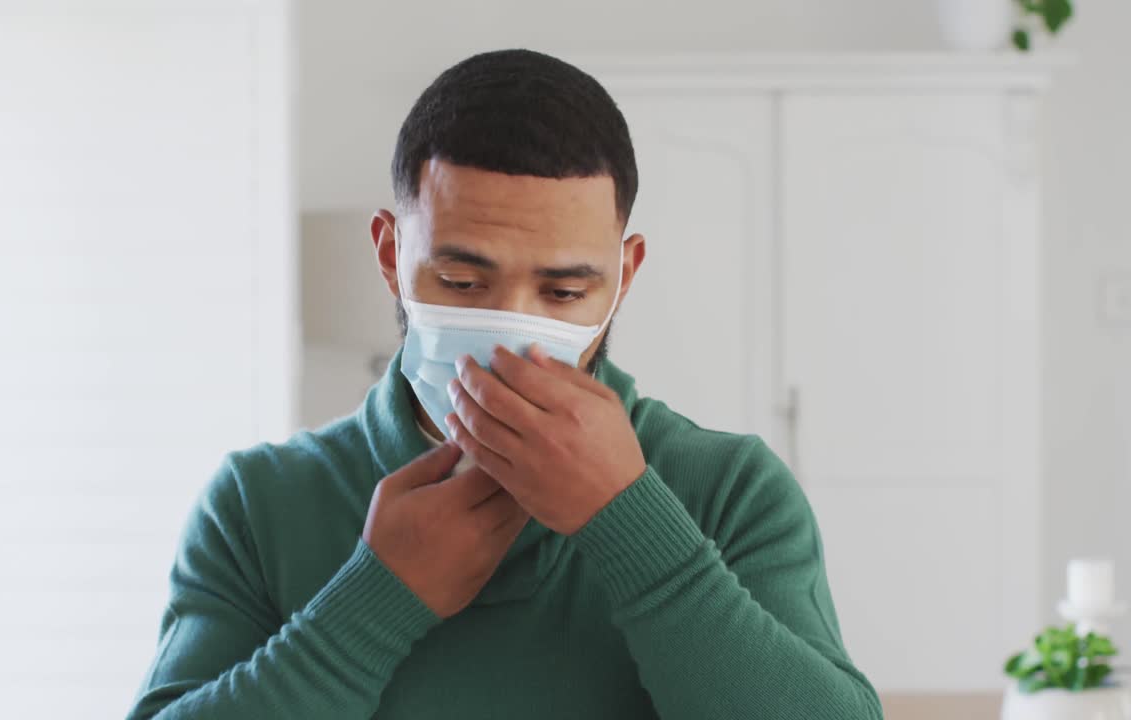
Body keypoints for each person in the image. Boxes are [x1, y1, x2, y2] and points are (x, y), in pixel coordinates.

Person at [126, 48, 883, 719]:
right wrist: (372, 604)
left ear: (624, 277)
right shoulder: (258, 505)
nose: (509, 332)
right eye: (461, 282)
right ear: (391, 256)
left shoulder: (730, 491)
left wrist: (631, 524)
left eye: (563, 292)